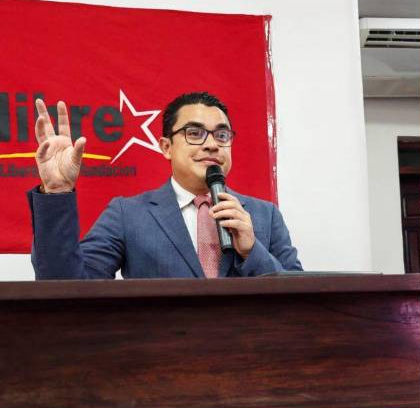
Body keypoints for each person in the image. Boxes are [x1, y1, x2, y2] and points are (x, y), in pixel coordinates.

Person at [27, 93, 302, 279]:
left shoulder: (265, 216)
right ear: (166, 147)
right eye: (194, 133)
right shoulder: (128, 214)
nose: (211, 144)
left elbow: (300, 302)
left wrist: (251, 250)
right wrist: (57, 192)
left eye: (221, 134)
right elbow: (67, 286)